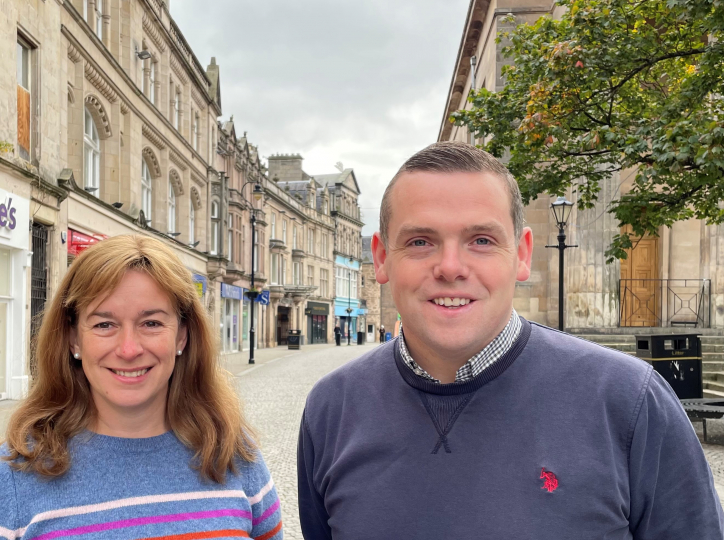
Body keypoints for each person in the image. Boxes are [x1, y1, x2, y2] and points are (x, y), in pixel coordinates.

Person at [297, 142, 723, 539]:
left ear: (521, 254)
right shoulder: (332, 410)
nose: (450, 267)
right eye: (420, 241)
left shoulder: (628, 402)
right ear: (381, 257)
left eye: (481, 240)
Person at [0, 235, 283, 540]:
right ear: (73, 339)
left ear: (181, 335)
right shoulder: (18, 471)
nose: (128, 349)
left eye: (151, 323)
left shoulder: (232, 452)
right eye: (104, 324)